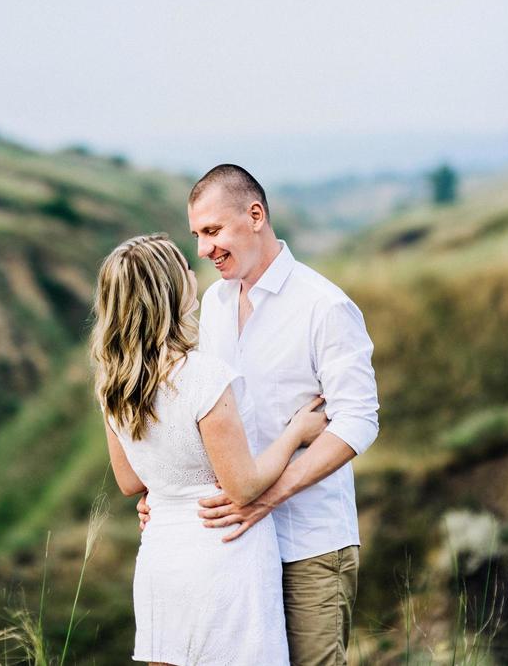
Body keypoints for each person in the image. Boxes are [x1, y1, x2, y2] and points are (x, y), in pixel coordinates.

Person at [139, 165, 380, 666]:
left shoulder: (325, 306)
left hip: (309, 542)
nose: (203, 249)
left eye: (212, 231)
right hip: (237, 550)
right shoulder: (214, 303)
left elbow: (358, 421)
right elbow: (199, 413)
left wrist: (269, 496)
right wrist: (165, 497)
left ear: (255, 215)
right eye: (197, 236)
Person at [90, 233, 329, 666]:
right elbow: (244, 487)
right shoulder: (203, 376)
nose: (193, 270)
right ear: (170, 288)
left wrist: (166, 486)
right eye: (184, 266)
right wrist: (296, 432)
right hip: (223, 557)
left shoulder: (113, 385)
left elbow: (129, 482)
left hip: (161, 560)